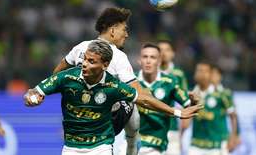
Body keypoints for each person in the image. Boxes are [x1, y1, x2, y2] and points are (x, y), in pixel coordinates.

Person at [53, 7, 200, 155]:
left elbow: (57, 74)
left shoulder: (80, 47)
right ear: (112, 31)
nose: (127, 34)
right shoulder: (117, 57)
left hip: (78, 122)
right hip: (105, 122)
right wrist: (175, 112)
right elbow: (141, 96)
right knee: (131, 99)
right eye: (124, 30)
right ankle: (131, 144)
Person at [24, 40, 201, 155]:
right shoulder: (67, 77)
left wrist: (176, 112)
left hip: (101, 147)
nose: (85, 64)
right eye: (85, 59)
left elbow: (144, 99)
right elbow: (34, 91)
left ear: (105, 65)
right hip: (71, 147)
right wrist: (32, 98)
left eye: (92, 61)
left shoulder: (113, 86)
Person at [136, 43, 194, 155]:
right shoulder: (132, 79)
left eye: (152, 57)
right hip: (138, 136)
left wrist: (184, 128)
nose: (148, 60)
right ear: (140, 60)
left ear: (159, 60)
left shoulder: (175, 77)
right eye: (145, 57)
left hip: (170, 130)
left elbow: (187, 102)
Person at [183, 61, 238, 155]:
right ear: (194, 74)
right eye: (199, 71)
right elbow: (185, 124)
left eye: (205, 71)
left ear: (210, 74)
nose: (202, 74)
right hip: (196, 146)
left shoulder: (222, 94)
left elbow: (233, 116)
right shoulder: (190, 94)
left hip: (217, 146)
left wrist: (233, 137)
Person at [157, 40, 189, 155]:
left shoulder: (178, 74)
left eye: (167, 50)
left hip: (171, 128)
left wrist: (185, 123)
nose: (163, 53)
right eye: (160, 50)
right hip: (151, 128)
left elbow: (186, 101)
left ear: (173, 53)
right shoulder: (149, 72)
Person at [210, 65, 241, 153]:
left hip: (221, 138)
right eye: (211, 74)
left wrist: (235, 135)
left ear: (220, 76)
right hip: (203, 140)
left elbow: (233, 116)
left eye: (215, 74)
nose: (212, 76)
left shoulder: (225, 94)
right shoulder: (201, 93)